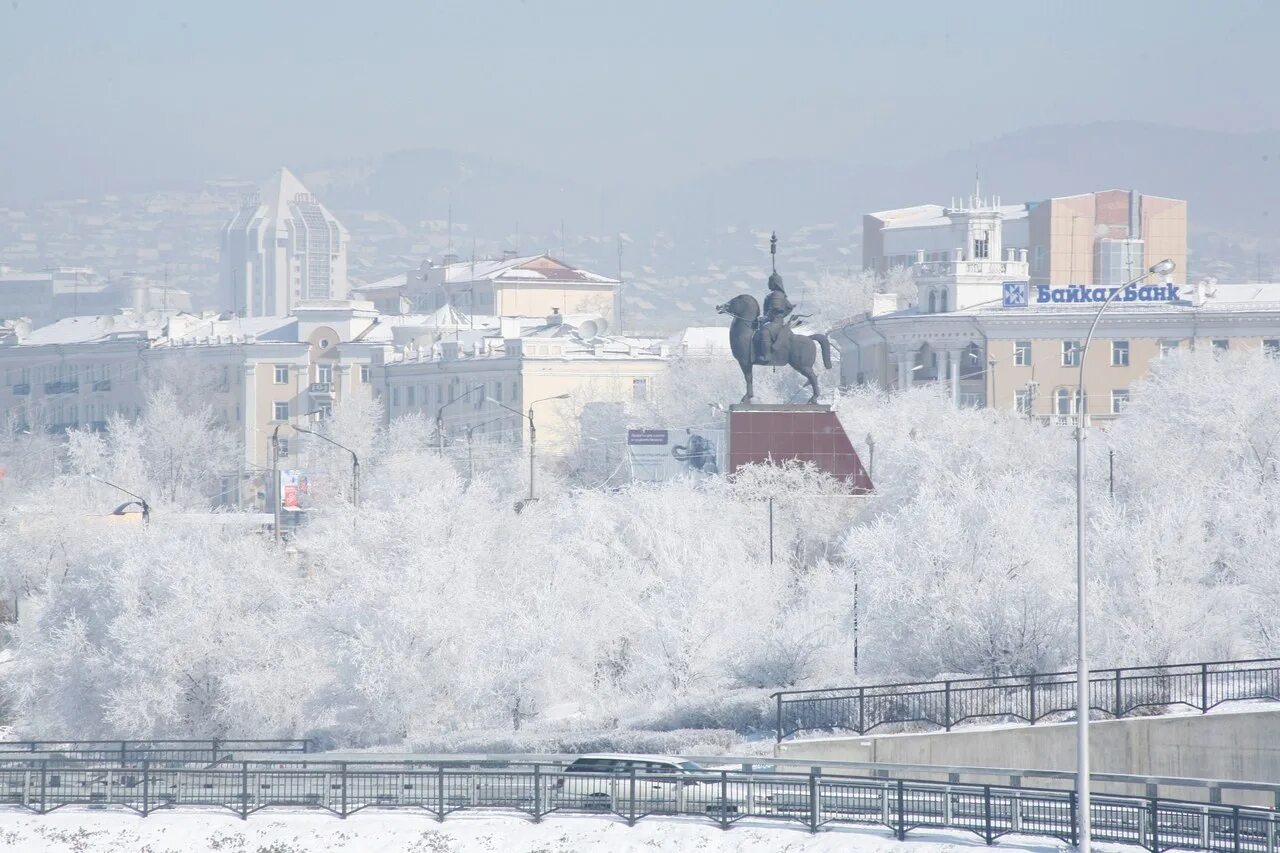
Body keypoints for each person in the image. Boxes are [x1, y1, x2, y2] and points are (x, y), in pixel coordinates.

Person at [754, 271, 795, 365]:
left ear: (774, 283)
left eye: (770, 282)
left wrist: (765, 319)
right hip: (773, 321)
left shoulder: (776, 295)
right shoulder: (778, 295)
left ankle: (767, 355)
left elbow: (774, 310)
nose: (769, 284)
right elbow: (789, 307)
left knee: (764, 331)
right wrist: (783, 314)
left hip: (775, 322)